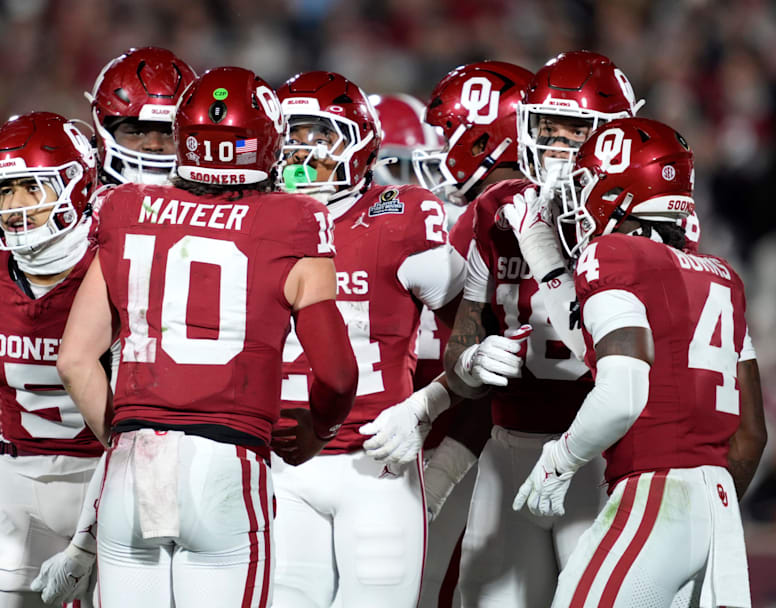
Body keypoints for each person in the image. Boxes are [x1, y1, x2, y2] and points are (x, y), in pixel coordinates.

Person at [55, 66, 358, 607]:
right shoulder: (296, 219)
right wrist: (319, 432)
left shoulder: (126, 207)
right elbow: (337, 375)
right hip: (225, 464)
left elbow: (75, 360)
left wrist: (126, 439)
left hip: (131, 465)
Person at [511, 117, 766, 607]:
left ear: (618, 190)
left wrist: (559, 461)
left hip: (655, 495)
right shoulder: (722, 277)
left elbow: (623, 393)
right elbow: (751, 435)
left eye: (588, 182)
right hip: (718, 508)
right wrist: (701, 501)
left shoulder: (614, 254)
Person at [437, 51, 638, 608]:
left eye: (573, 130)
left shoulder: (629, 219)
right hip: (508, 446)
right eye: (546, 127)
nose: (555, 145)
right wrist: (471, 361)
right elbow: (460, 345)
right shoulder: (495, 209)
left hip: (600, 453)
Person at [269, 70, 465, 608]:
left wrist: (426, 404)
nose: (302, 152)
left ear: (359, 145)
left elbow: (475, 329)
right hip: (277, 461)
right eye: (290, 136)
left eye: (319, 136)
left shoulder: (399, 215)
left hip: (375, 459)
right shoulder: (256, 218)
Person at [25, 46, 198, 607]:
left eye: (165, 132)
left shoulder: (221, 206)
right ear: (103, 127)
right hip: (65, 446)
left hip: (156, 439)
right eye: (135, 129)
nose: (152, 146)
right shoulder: (69, 206)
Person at [0, 113, 106, 608]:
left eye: (32, 187)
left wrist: (89, 539)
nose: (14, 206)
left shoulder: (112, 264)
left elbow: (135, 420)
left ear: (77, 185)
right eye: (4, 190)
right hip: (18, 477)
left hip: (106, 475)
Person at [386, 60, 534, 608]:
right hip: (399, 439)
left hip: (479, 440)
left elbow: (502, 362)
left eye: (449, 137)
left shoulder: (496, 221)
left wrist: (446, 463)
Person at [85, 46, 197, 185]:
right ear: (103, 133)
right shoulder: (81, 196)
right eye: (136, 132)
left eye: (170, 133)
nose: (154, 145)